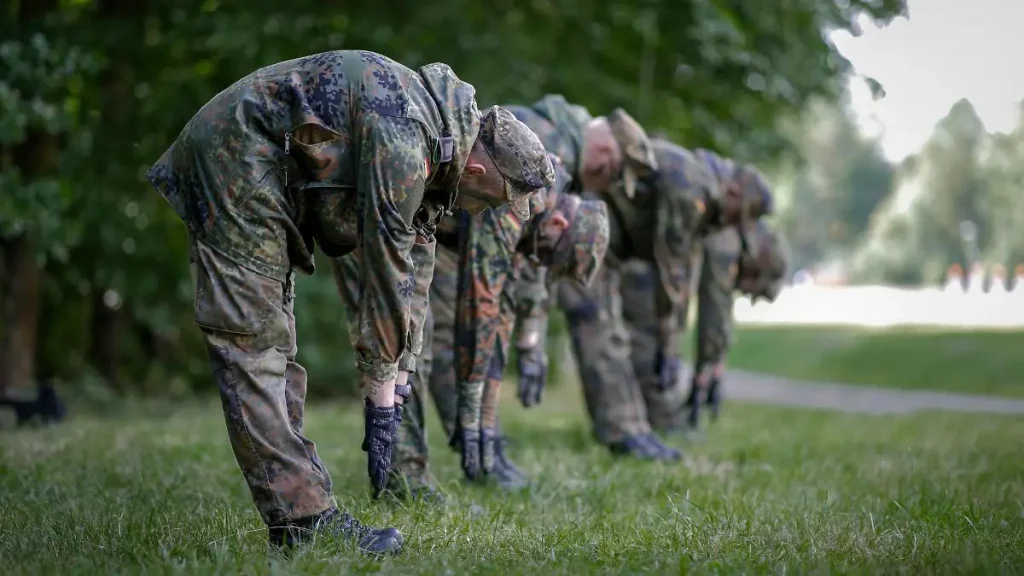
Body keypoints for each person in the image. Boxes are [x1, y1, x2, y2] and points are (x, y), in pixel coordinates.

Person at [145, 49, 554, 556]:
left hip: (264, 168)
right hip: (236, 157)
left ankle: (299, 508)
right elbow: (383, 273)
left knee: (271, 339)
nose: (496, 210)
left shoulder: (441, 145)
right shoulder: (409, 143)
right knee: (253, 340)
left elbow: (414, 269)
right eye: (502, 195)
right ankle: (304, 521)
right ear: (476, 169)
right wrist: (380, 396)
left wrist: (401, 375)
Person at [331, 154, 609, 499]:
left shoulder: (541, 205)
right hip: (376, 208)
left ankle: (460, 456)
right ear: (559, 227)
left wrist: (484, 420)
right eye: (549, 255)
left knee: (433, 340)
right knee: (405, 340)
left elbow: (499, 314)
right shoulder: (516, 203)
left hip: (413, 222)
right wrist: (478, 421)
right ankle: (403, 480)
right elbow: (481, 307)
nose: (540, 261)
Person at [621, 221, 788, 434]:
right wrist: (705, 370)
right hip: (649, 265)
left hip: (655, 258)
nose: (743, 292)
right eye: (751, 290)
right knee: (655, 338)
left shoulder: (731, 235)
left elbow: (719, 312)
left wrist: (713, 364)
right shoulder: (725, 244)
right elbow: (714, 312)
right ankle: (645, 419)